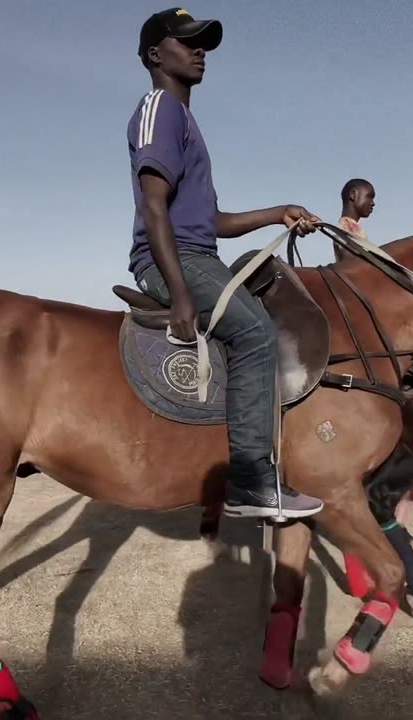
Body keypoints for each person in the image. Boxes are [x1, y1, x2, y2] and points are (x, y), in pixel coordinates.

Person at [128, 8, 324, 518]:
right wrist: (181, 293)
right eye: (187, 42)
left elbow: (210, 219)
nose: (200, 52)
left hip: (197, 250)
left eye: (204, 45)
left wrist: (277, 212)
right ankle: (251, 480)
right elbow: (153, 207)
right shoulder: (160, 110)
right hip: (171, 258)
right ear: (155, 54)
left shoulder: (186, 120)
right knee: (256, 332)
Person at [334, 178, 375, 262]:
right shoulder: (345, 225)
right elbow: (351, 262)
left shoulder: (354, 227)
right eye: (369, 197)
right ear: (353, 195)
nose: (373, 203)